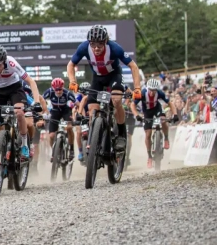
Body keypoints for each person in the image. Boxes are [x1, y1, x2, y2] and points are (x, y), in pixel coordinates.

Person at [67, 25, 142, 154]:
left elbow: (133, 66)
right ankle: (94, 137)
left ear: (106, 41)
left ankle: (121, 134)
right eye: (93, 44)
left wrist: (137, 88)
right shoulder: (84, 47)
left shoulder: (115, 48)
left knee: (117, 100)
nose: (96, 48)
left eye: (100, 44)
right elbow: (71, 64)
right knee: (92, 109)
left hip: (114, 75)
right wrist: (73, 81)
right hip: (97, 78)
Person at [134, 78, 177, 168]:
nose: (152, 92)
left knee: (163, 120)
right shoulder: (141, 92)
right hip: (147, 112)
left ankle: (166, 138)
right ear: (147, 88)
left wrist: (175, 114)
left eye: (154, 90)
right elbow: (132, 104)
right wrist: (137, 115)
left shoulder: (160, 92)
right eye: (151, 90)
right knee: (148, 134)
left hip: (157, 109)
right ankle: (149, 156)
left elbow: (170, 103)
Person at [42, 78, 76, 151]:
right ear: (53, 88)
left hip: (66, 111)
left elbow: (77, 103)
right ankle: (53, 152)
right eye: (56, 90)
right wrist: (45, 111)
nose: (58, 92)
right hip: (55, 111)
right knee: (51, 136)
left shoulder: (67, 93)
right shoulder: (50, 91)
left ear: (63, 87)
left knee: (69, 128)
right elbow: (41, 100)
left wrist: (75, 114)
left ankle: (72, 148)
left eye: (60, 89)